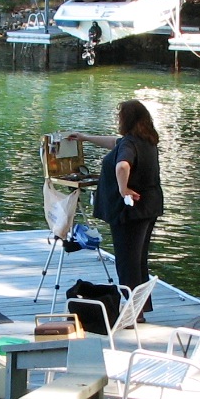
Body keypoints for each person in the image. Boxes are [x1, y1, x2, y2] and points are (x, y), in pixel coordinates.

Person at [67, 100, 164, 312]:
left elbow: (122, 165)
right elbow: (115, 143)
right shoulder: (146, 140)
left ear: (126, 120)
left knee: (127, 262)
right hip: (149, 207)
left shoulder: (129, 144)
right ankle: (141, 308)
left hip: (129, 211)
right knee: (139, 261)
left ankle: (133, 312)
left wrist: (123, 189)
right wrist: (84, 138)